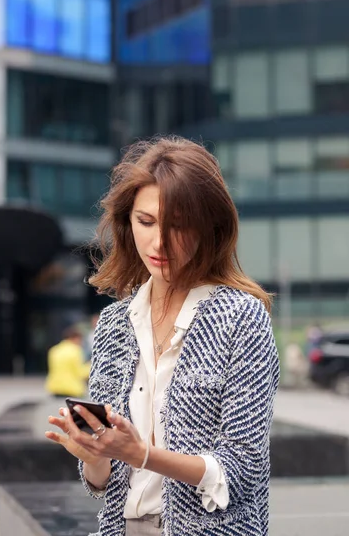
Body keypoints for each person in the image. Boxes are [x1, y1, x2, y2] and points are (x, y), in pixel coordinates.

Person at [45, 136, 280, 536]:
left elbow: (243, 468)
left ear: (211, 225)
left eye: (178, 225)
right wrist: (94, 454)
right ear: (127, 222)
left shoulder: (242, 318)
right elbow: (105, 483)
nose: (158, 243)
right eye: (146, 221)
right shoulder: (116, 324)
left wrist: (142, 454)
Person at [45, 323, 91, 399]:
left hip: (55, 388)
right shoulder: (75, 350)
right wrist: (91, 367)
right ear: (75, 338)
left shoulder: (54, 350)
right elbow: (80, 373)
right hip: (72, 389)